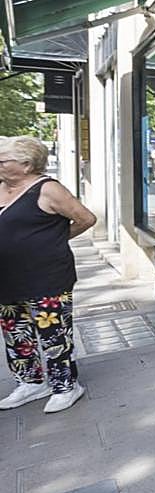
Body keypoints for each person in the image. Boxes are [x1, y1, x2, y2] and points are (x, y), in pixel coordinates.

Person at [0, 136, 97, 414]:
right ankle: (30, 382)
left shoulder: (48, 189)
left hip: (47, 274)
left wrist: (53, 239)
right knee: (15, 331)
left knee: (53, 332)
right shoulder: (2, 187)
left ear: (26, 164)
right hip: (7, 276)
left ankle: (65, 385)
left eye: (3, 161)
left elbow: (86, 219)